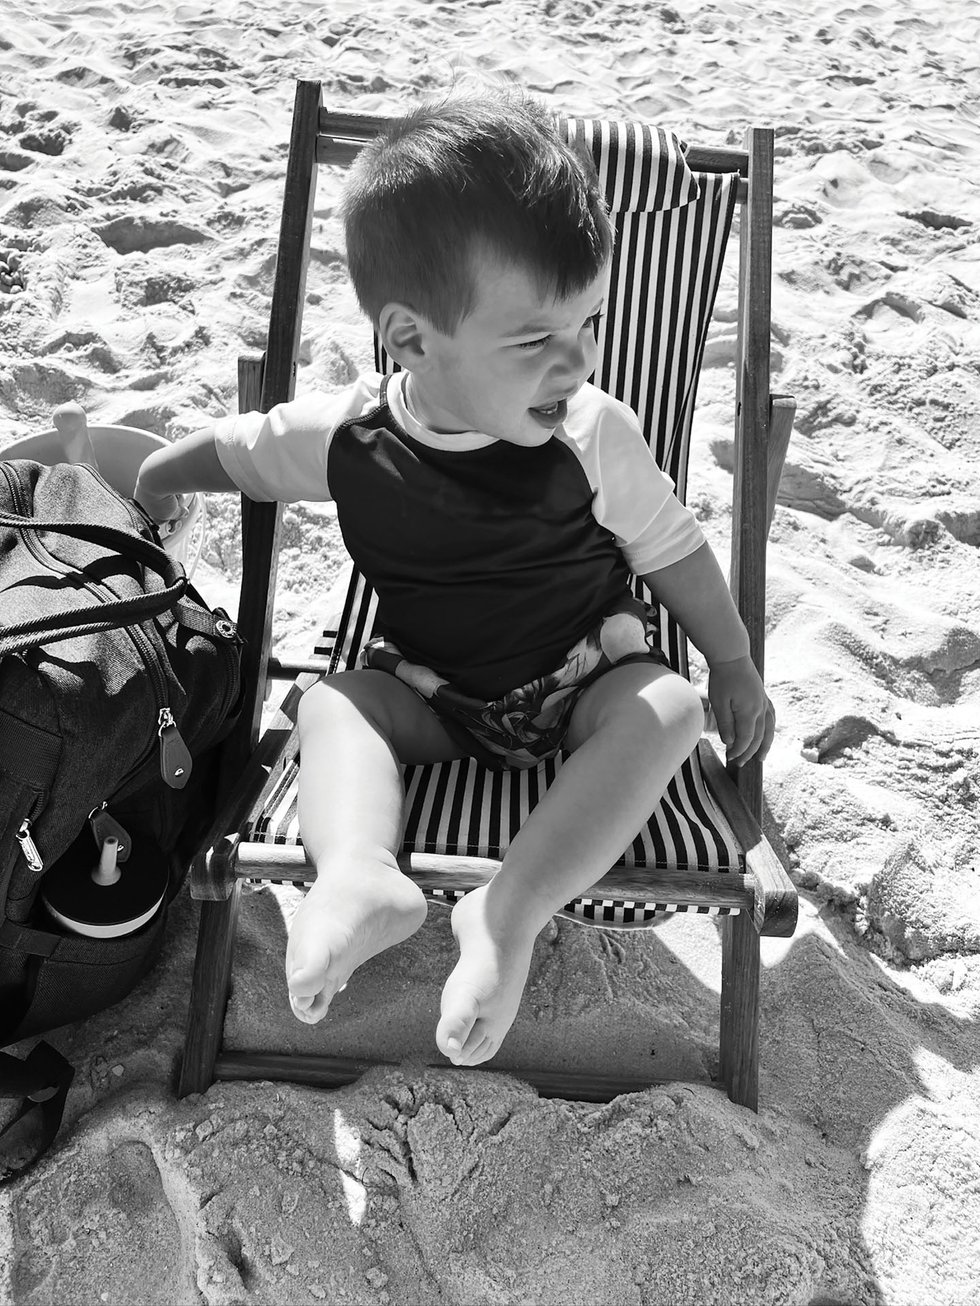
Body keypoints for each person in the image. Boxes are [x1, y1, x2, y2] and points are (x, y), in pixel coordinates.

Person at [134, 84, 774, 1070]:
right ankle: (357, 875)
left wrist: (728, 660)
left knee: (668, 709)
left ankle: (505, 911)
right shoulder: (348, 437)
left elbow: (671, 548)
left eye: (588, 325)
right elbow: (244, 448)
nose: (574, 363)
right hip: (430, 689)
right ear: (409, 340)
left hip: (577, 683)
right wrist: (153, 476)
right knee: (333, 704)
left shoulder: (597, 435)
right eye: (532, 341)